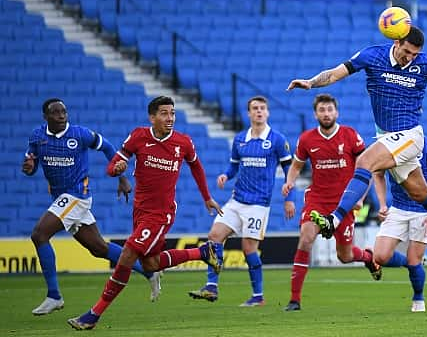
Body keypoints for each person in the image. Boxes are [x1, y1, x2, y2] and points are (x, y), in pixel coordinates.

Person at [287, 25, 427, 261]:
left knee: (365, 160)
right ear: (396, 43)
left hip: (410, 135)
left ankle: (333, 219)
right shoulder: (373, 56)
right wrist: (311, 82)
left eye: (415, 54)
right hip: (387, 137)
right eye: (407, 51)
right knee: (421, 193)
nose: (410, 57)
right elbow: (336, 72)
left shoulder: (425, 64)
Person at [67, 96, 223, 330]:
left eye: (172, 113)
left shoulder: (183, 142)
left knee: (127, 255)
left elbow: (197, 166)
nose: (169, 118)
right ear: (152, 117)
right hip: (140, 211)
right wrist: (115, 169)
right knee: (150, 264)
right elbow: (115, 163)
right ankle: (202, 252)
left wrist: (207, 197)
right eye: (164, 113)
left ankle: (93, 315)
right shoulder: (139, 136)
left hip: (161, 214)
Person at [22, 98, 161, 316]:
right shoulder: (37, 137)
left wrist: (121, 176)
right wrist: (29, 167)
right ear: (45, 117)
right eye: (56, 112)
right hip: (61, 199)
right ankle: (148, 271)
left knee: (39, 235)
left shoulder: (80, 134)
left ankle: (54, 296)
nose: (61, 116)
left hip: (77, 195)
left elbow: (107, 147)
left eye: (64, 112)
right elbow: (30, 165)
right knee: (99, 249)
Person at [188, 95, 295, 307]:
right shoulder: (240, 139)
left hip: (258, 204)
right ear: (248, 113)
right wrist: (226, 176)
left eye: (262, 108)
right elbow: (234, 165)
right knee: (214, 236)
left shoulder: (277, 140)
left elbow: (289, 169)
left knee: (248, 249)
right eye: (255, 108)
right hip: (236, 201)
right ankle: (211, 286)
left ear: (268, 112)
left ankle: (258, 296)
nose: (259, 111)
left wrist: (289, 198)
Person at [281, 93, 381, 312]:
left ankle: (367, 257)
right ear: (316, 113)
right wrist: (289, 182)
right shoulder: (307, 139)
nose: (326, 114)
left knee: (344, 256)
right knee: (306, 239)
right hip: (317, 199)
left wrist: (360, 199)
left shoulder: (350, 135)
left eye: (329, 110)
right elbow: (296, 166)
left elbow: (368, 168)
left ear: (336, 112)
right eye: (322, 110)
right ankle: (294, 299)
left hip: (344, 203)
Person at [372, 136, 427, 313]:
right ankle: (411, 265)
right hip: (397, 209)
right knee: (380, 257)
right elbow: (378, 174)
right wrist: (382, 203)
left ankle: (418, 298)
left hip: (423, 209)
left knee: (415, 260)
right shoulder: (386, 145)